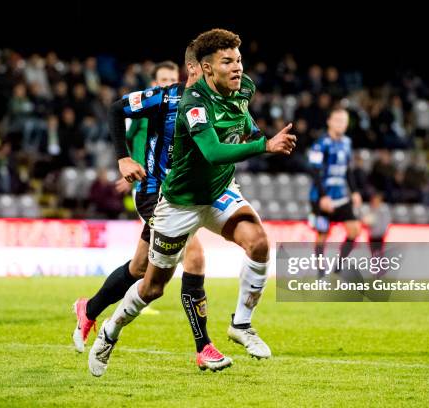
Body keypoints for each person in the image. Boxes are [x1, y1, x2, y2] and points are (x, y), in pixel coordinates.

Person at [88, 28, 296, 376]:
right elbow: (213, 152)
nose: (237, 68)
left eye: (239, 60)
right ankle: (110, 331)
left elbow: (243, 116)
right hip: (180, 204)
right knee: (152, 287)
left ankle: (241, 326)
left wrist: (258, 134)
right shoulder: (192, 104)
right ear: (206, 68)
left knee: (259, 244)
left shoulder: (244, 87)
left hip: (218, 193)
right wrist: (264, 146)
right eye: (227, 61)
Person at [73, 47, 231, 371]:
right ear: (194, 68)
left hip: (182, 196)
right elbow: (117, 110)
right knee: (195, 254)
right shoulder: (163, 98)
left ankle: (89, 309)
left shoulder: (208, 105)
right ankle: (204, 347)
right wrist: (123, 158)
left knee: (139, 269)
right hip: (153, 192)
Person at [307, 108, 362, 275]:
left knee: (354, 230)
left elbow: (347, 170)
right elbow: (314, 171)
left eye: (344, 121)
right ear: (329, 121)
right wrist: (323, 197)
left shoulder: (346, 143)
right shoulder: (320, 144)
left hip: (340, 196)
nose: (341, 124)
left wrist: (354, 191)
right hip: (321, 197)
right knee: (322, 234)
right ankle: (321, 273)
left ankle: (338, 268)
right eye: (337, 120)